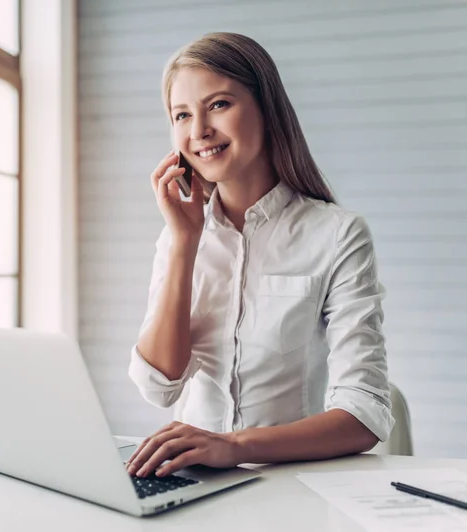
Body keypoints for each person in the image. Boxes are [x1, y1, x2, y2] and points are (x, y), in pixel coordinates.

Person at [126, 32, 395, 479]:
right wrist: (184, 241)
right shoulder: (179, 235)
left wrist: (231, 447)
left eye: (218, 105)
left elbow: (364, 412)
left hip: (294, 485)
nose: (199, 132)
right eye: (181, 115)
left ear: (267, 109)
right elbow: (159, 386)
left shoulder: (338, 233)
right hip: (196, 484)